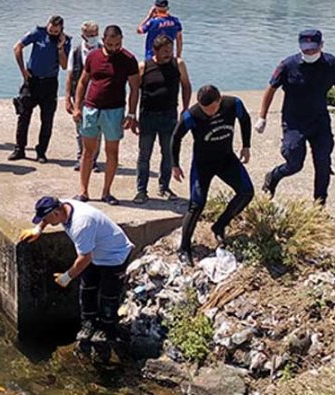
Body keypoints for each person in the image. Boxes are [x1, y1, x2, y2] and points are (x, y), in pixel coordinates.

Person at [19, 196, 134, 355]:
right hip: (94, 253)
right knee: (87, 289)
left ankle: (107, 328)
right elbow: (48, 216)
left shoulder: (81, 223)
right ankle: (89, 324)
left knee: (108, 295)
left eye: (46, 219)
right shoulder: (62, 206)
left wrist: (67, 276)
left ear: (56, 213)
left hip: (114, 255)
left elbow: (85, 258)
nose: (45, 221)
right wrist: (38, 229)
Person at [256, 29, 335, 204]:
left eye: (313, 48)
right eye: (305, 48)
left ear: (321, 45)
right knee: (294, 163)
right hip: (294, 121)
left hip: (320, 121)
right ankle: (273, 176)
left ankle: (319, 203)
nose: (309, 52)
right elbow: (270, 90)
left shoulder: (331, 63)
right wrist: (262, 117)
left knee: (323, 162)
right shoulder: (287, 65)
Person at [171, 85, 254, 265]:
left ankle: (220, 225)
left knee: (247, 192)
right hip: (203, 165)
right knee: (197, 204)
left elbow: (245, 119)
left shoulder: (233, 104)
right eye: (204, 110)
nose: (208, 113)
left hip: (226, 159)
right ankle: (184, 248)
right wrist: (175, 165)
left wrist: (246, 145)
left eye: (212, 109)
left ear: (219, 100)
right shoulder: (192, 115)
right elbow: (176, 137)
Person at [73, 25, 140, 206]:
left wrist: (132, 114)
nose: (114, 48)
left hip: (115, 110)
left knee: (112, 152)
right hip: (91, 108)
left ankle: (106, 192)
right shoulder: (93, 56)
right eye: (110, 44)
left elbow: (134, 88)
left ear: (122, 40)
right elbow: (82, 82)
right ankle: (83, 191)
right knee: (88, 152)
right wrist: (77, 107)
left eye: (117, 44)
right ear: (103, 40)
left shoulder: (129, 59)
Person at [134, 34, 192, 204]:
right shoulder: (144, 66)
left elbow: (186, 86)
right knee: (144, 154)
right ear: (155, 50)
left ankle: (164, 187)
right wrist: (132, 115)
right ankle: (141, 190)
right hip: (148, 116)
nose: (169, 54)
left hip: (169, 115)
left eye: (171, 50)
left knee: (168, 153)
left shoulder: (178, 64)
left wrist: (185, 108)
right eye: (165, 51)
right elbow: (134, 91)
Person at [9, 15, 72, 163]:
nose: (53, 33)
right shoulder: (38, 33)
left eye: (56, 31)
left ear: (61, 29)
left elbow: (64, 66)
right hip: (32, 81)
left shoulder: (66, 40)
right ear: (47, 25)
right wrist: (23, 70)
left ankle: (41, 151)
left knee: (47, 119)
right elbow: (17, 47)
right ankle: (19, 149)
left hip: (50, 83)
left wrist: (61, 48)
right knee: (23, 115)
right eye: (51, 29)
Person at [65, 20, 103, 173]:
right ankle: (81, 158)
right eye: (90, 35)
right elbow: (69, 76)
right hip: (80, 97)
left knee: (97, 130)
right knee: (80, 129)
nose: (93, 37)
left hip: (98, 97)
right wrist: (68, 98)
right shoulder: (75, 52)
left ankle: (93, 160)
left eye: (95, 34)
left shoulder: (103, 49)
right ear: (83, 35)